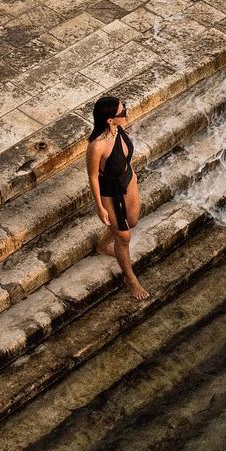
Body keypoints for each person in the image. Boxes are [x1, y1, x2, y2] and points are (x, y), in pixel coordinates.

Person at [86, 94, 149, 301]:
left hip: (127, 179)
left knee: (132, 220)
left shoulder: (118, 129)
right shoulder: (97, 146)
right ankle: (130, 280)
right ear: (109, 120)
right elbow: (93, 177)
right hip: (110, 191)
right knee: (124, 237)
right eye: (122, 113)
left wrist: (133, 174)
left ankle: (104, 245)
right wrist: (99, 207)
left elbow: (125, 157)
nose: (126, 114)